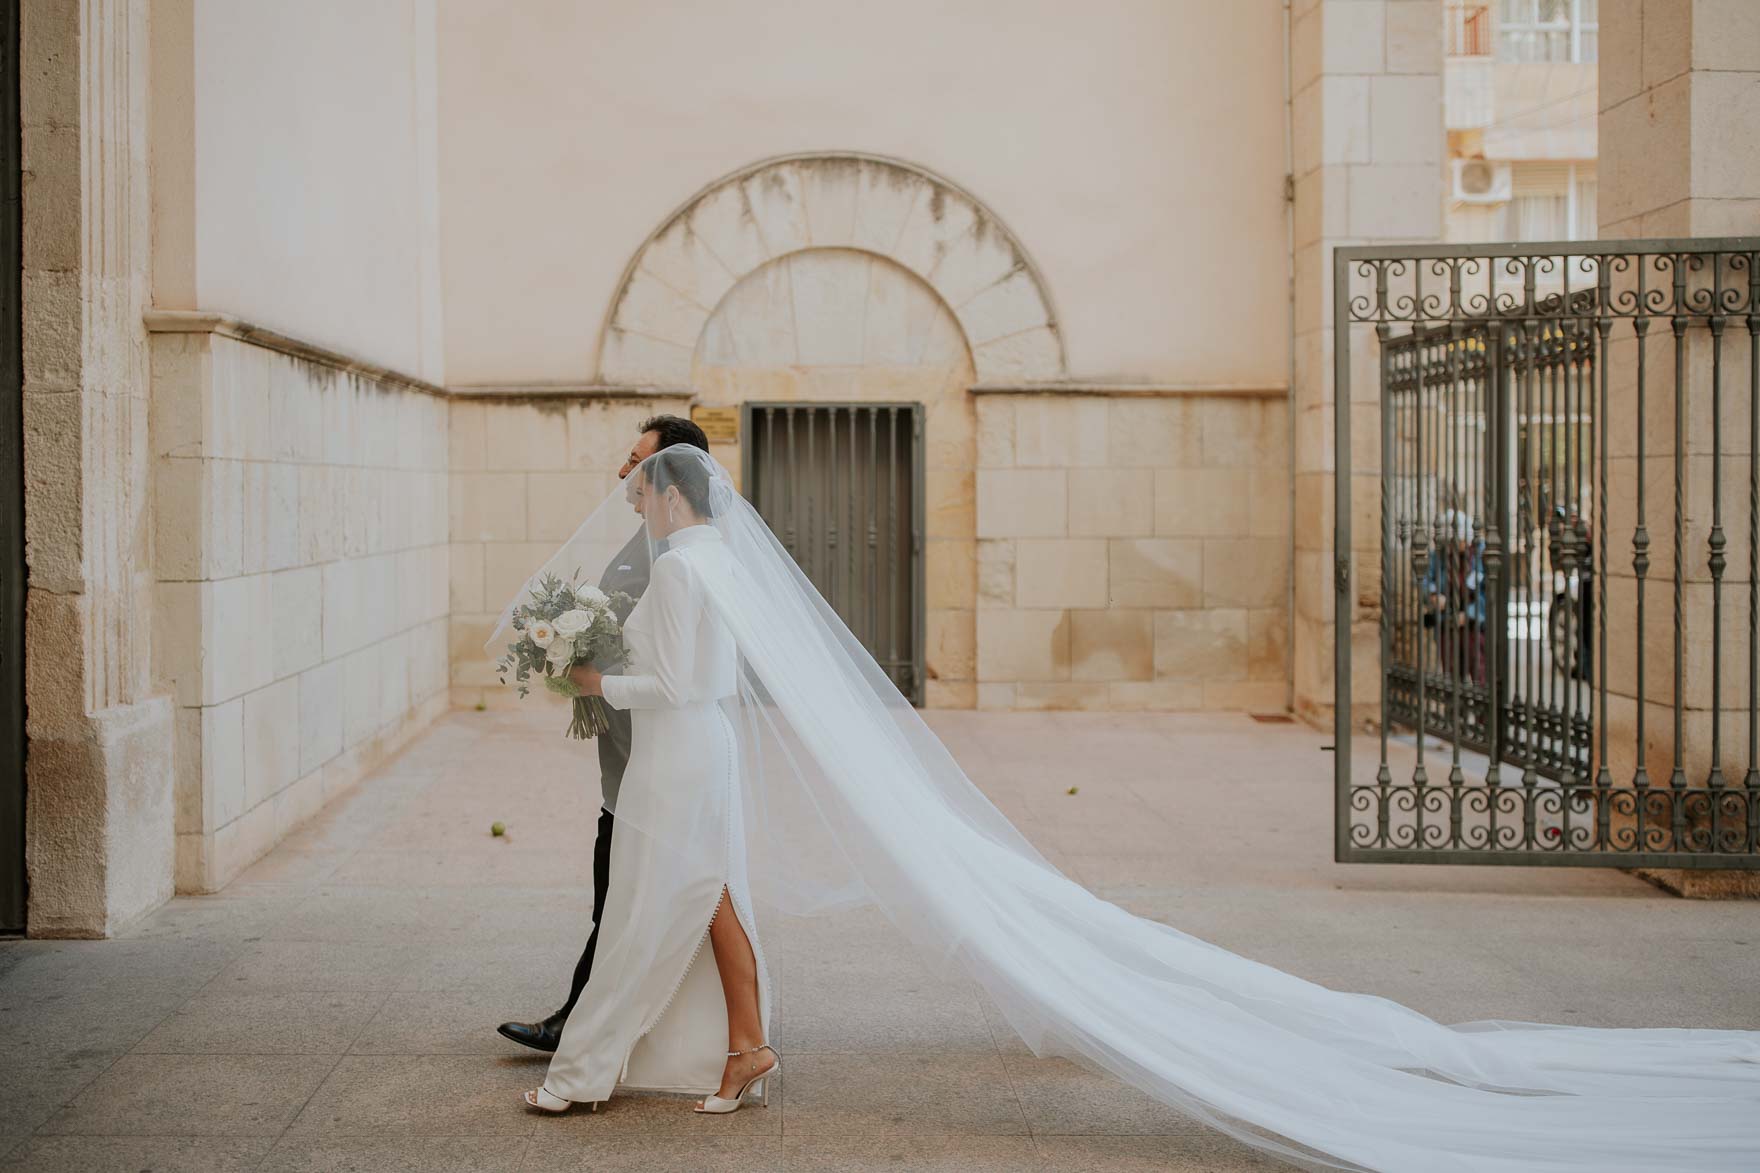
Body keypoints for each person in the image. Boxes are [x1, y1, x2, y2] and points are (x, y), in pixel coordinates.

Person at [489, 446, 1760, 1168]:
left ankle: (589, 1073)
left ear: (671, 500)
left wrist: (589, 669)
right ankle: (731, 1048)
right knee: (692, 895)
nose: (638, 508)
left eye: (643, 493)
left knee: (667, 898)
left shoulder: (681, 573)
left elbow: (685, 680)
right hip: (694, 753)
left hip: (678, 742)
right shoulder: (712, 562)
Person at [495, 415, 711, 1055]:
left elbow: (676, 670)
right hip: (628, 749)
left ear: (668, 474)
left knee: (625, 889)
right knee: (622, 884)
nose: (624, 472)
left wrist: (589, 674)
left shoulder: (676, 558)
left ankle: (581, 1022)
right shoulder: (653, 544)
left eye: (636, 460)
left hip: (652, 750)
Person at [1420, 509, 1486, 686]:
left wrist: (1470, 614)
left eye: (1458, 541)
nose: (1454, 546)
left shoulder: (1481, 554)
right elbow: (1424, 579)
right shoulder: (1439, 555)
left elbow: (1490, 591)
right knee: (1453, 676)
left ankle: (1482, 714)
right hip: (1447, 622)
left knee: (1480, 674)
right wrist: (1433, 594)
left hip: (1474, 626)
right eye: (1449, 542)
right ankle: (1456, 713)